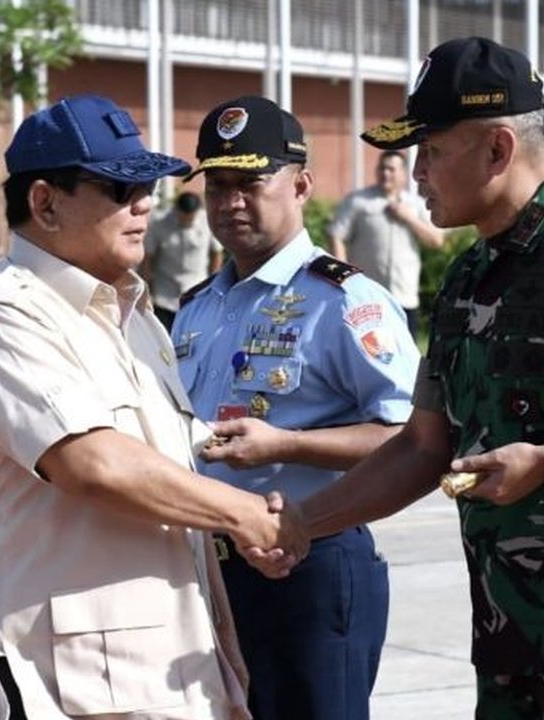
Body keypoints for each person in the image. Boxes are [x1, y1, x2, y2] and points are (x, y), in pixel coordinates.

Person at [250, 37, 544, 719]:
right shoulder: (471, 276)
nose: (416, 172)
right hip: (509, 641)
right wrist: (300, 522)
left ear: (498, 150)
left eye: (433, 150)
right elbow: (421, 448)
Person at [0, 93, 306, 719]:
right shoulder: (5, 316)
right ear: (44, 202)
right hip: (50, 681)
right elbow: (93, 462)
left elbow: (165, 458)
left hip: (148, 672)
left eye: (147, 186)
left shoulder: (130, 316)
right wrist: (245, 514)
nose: (144, 204)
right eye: (119, 190)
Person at [174, 95, 418, 720]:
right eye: (218, 185)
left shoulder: (342, 300)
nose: (230, 203)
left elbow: (412, 436)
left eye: (250, 183)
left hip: (309, 561)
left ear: (302, 184)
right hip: (212, 570)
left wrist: (285, 444)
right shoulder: (200, 304)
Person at [328, 149, 444, 337]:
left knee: (407, 359)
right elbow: (336, 235)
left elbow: (436, 240)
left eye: (391, 169)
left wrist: (408, 217)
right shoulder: (358, 201)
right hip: (366, 297)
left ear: (404, 173)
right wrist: (343, 276)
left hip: (404, 296)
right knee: (365, 354)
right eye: (382, 168)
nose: (385, 173)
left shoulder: (415, 204)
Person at [143, 189, 221, 330]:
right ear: (177, 210)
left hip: (197, 292)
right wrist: (147, 287)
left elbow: (216, 253)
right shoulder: (160, 223)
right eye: (183, 216)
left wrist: (213, 283)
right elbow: (148, 256)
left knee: (194, 338)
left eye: (190, 217)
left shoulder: (208, 222)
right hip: (165, 294)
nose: (187, 219)